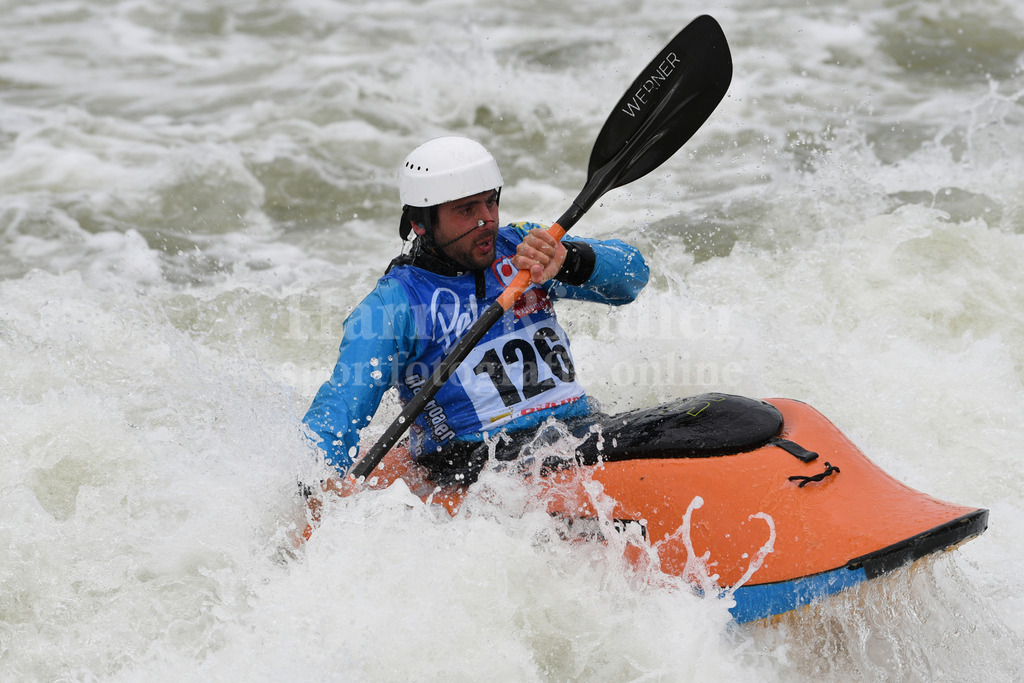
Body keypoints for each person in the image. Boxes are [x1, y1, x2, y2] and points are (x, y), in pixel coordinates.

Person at [303, 136, 649, 486]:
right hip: (477, 465)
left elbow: (634, 277)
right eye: (467, 210)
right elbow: (341, 409)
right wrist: (316, 489)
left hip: (579, 429)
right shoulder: (394, 305)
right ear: (421, 223)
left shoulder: (524, 248)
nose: (487, 221)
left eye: (490, 202)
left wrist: (569, 261)